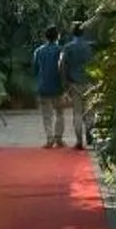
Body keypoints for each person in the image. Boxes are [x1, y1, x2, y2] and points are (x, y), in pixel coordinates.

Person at [61, 20, 96, 150]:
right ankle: (90, 134)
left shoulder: (68, 48)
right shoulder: (90, 47)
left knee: (77, 113)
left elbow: (63, 67)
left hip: (75, 84)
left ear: (72, 32)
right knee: (90, 112)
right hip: (90, 82)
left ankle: (79, 141)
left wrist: (66, 84)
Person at [31, 25, 66, 147]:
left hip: (44, 87)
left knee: (47, 116)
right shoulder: (61, 50)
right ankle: (59, 138)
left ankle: (49, 138)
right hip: (58, 87)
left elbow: (35, 69)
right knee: (60, 114)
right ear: (57, 37)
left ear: (45, 37)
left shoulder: (38, 51)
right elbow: (64, 68)